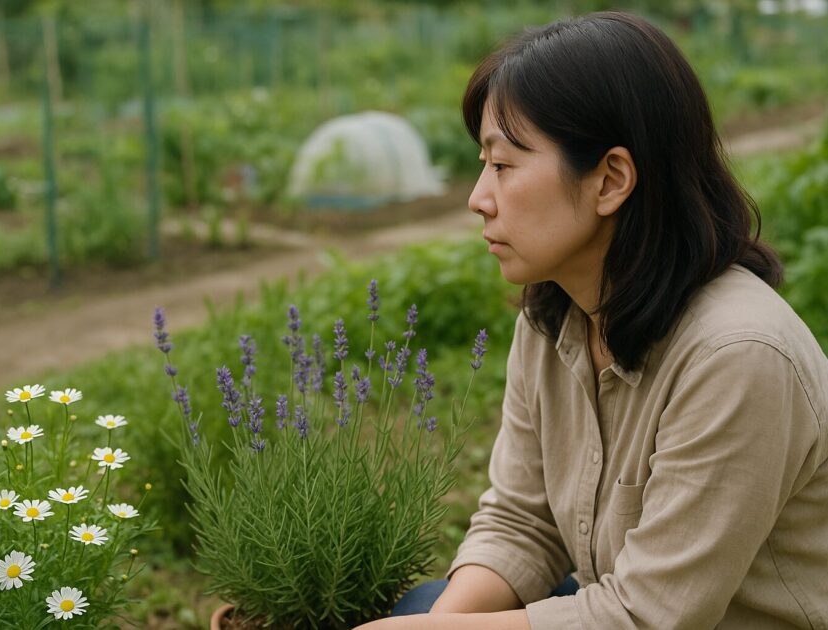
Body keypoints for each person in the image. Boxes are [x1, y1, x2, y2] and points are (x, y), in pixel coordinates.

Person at [354, 11, 828, 630]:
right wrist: (437, 623)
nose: (478, 198)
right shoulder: (555, 316)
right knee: (427, 608)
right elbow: (522, 522)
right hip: (617, 604)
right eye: (483, 163)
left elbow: (648, 615)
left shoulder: (738, 355)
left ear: (610, 180)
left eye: (503, 165)